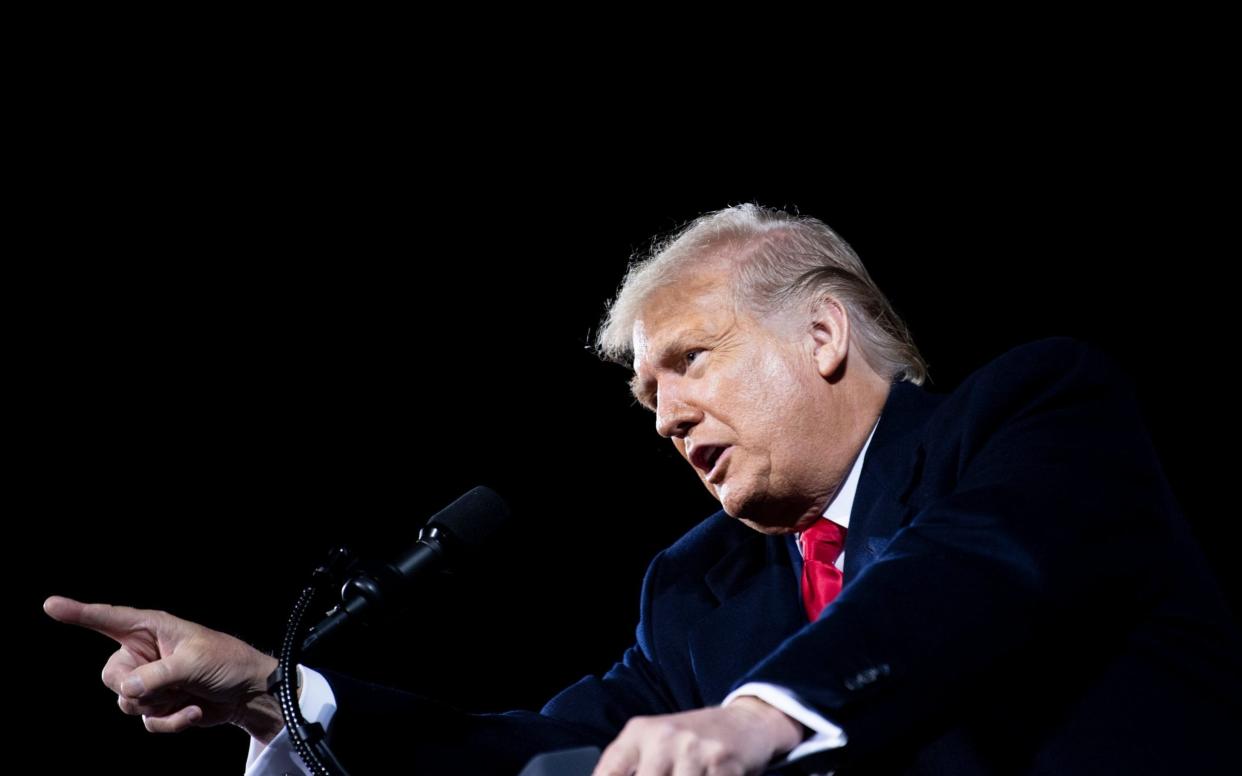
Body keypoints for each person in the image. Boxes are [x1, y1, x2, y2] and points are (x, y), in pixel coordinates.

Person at [45, 203, 1242, 775]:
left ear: (824, 330)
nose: (665, 412)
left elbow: (967, 576)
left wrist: (758, 715)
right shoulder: (700, 587)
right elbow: (540, 744)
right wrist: (274, 687)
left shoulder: (1032, 415)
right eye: (647, 397)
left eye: (692, 360)